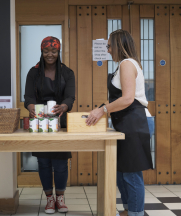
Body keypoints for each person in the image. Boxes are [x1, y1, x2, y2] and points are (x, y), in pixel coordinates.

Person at [86, 29, 153, 216]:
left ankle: (136, 213)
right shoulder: (122, 65)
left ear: (118, 45)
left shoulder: (126, 64)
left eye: (109, 46)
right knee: (122, 172)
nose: (108, 50)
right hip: (127, 123)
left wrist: (103, 110)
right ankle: (128, 210)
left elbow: (128, 99)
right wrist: (102, 109)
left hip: (136, 122)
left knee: (131, 173)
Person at [24, 36, 75, 214]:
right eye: (46, 51)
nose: (50, 54)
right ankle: (49, 199)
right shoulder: (33, 72)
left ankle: (60, 198)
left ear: (58, 51)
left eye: (54, 51)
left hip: (60, 122)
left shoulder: (67, 72)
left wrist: (65, 106)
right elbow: (28, 97)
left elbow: (70, 97)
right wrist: (31, 108)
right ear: (42, 52)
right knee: (43, 162)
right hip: (39, 120)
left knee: (61, 163)